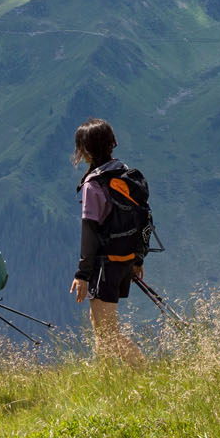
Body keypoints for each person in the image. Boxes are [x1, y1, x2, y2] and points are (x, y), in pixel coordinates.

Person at [68, 119, 149, 366]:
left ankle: (144, 369)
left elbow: (90, 231)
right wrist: (137, 258)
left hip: (105, 263)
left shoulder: (94, 183)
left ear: (86, 149)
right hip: (125, 259)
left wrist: (82, 274)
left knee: (106, 331)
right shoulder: (124, 174)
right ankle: (105, 379)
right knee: (101, 326)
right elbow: (140, 217)